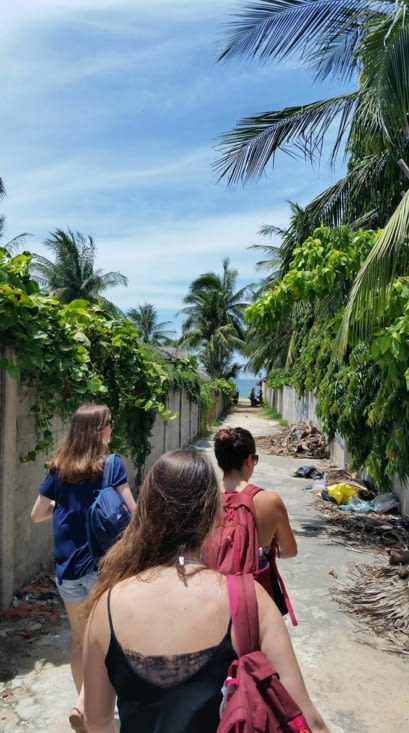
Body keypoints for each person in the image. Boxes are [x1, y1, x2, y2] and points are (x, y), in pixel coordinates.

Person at [82, 447, 329, 733]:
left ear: (146, 512)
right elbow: (308, 721)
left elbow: (97, 720)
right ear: (214, 515)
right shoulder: (249, 600)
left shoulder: (107, 605)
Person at [30, 403, 136, 733]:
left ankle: (85, 704)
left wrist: (65, 508)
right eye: (108, 424)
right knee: (106, 641)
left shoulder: (59, 468)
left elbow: (37, 513)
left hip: (67, 572)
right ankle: (90, 708)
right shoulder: (111, 465)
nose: (111, 430)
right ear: (96, 430)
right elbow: (131, 513)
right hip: (101, 567)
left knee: (79, 640)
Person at [209, 426, 297, 586]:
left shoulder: (204, 498)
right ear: (249, 461)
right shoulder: (270, 501)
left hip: (212, 592)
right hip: (254, 594)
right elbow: (289, 551)